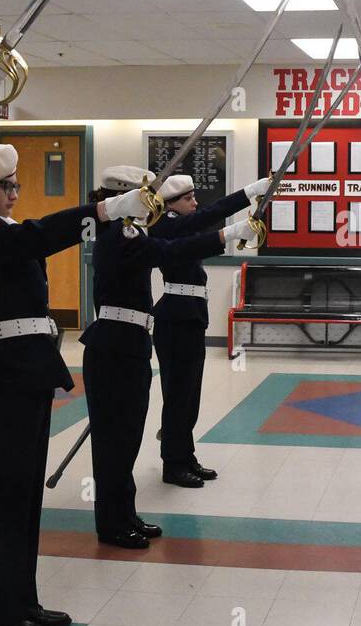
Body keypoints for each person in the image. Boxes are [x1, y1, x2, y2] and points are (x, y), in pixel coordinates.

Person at [0, 142, 154, 626]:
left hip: (27, 374)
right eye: (6, 186)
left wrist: (106, 214)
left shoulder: (6, 232)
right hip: (3, 379)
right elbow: (41, 237)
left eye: (16, 185)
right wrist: (104, 211)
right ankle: (0, 614)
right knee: (3, 500)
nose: (15, 194)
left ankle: (23, 600)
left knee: (23, 499)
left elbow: (35, 237)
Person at [82, 166, 254, 548]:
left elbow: (182, 238)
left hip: (131, 340)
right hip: (115, 345)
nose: (152, 202)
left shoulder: (133, 232)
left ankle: (124, 513)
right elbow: (175, 248)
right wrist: (231, 232)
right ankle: (113, 521)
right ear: (124, 198)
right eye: (145, 196)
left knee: (126, 438)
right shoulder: (120, 234)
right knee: (116, 442)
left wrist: (239, 212)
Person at [149, 173, 270, 488]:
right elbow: (207, 219)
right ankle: (172, 464)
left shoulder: (180, 226)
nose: (195, 202)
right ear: (172, 204)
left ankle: (185, 456)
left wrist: (248, 197)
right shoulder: (165, 226)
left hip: (189, 317)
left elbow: (205, 220)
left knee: (190, 396)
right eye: (188, 198)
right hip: (175, 319)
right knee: (177, 396)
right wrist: (247, 194)